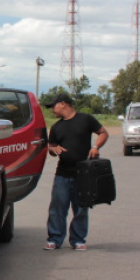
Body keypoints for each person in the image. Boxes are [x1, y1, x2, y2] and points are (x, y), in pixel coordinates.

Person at [43, 93, 108, 251]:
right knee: (57, 208)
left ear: (63, 104)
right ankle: (55, 239)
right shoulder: (57, 127)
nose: (52, 110)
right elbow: (51, 148)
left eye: (53, 106)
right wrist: (53, 149)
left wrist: (95, 147)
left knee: (81, 208)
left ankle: (78, 240)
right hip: (62, 174)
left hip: (83, 174)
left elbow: (103, 132)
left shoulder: (85, 119)